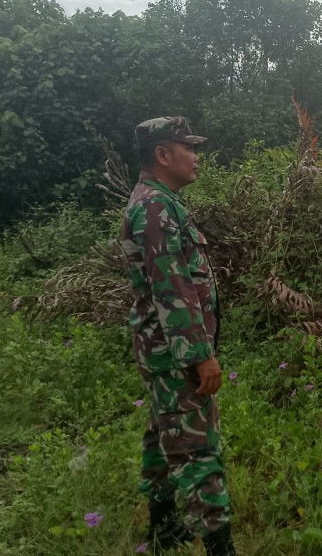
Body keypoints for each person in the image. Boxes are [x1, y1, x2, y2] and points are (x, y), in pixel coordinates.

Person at [120, 116, 235, 556]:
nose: (195, 156)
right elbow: (172, 289)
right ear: (162, 155)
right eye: (187, 147)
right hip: (176, 354)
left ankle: (164, 530)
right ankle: (219, 547)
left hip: (162, 351)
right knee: (197, 449)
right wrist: (199, 355)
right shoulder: (154, 207)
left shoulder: (158, 202)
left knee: (163, 433)